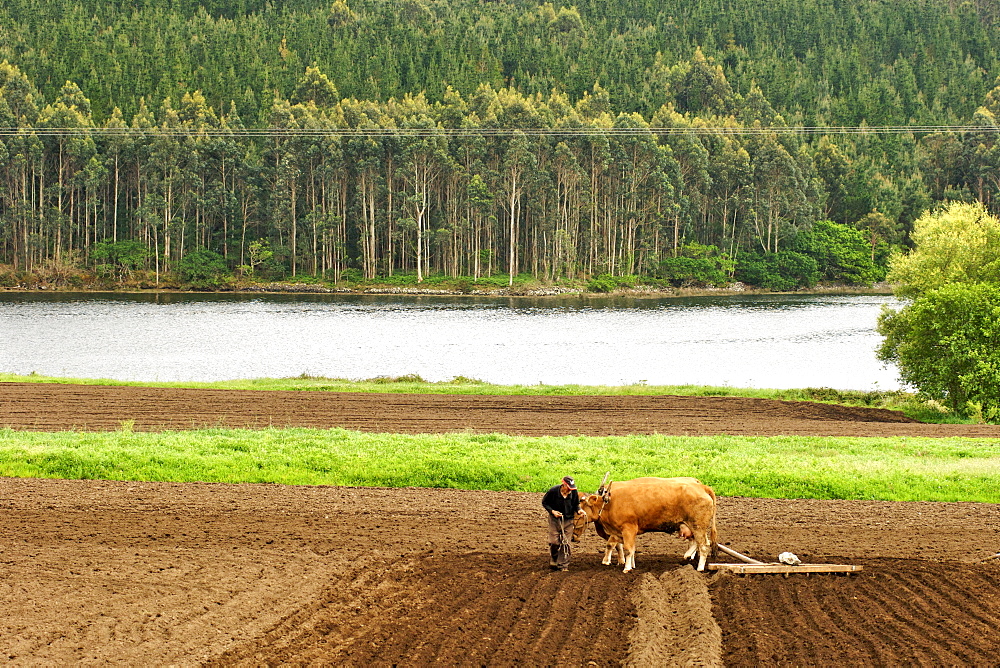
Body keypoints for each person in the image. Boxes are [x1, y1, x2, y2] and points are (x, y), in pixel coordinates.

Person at [541, 475, 579, 571]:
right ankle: (554, 558)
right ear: (564, 485)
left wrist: (579, 510)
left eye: (572, 488)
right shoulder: (553, 491)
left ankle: (563, 565)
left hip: (568, 520)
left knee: (566, 543)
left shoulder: (574, 493)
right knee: (554, 542)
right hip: (555, 520)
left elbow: (576, 504)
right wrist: (552, 511)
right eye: (569, 488)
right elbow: (545, 502)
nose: (571, 490)